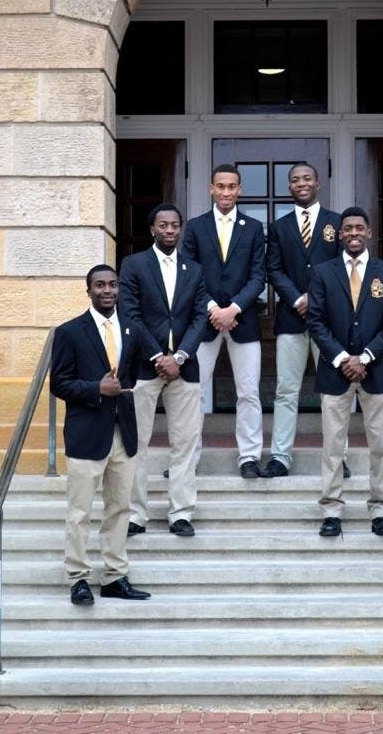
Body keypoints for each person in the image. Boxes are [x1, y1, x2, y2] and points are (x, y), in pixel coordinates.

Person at [50, 265, 156, 605]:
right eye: (100, 285)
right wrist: (96, 387)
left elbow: (140, 370)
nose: (107, 290)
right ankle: (78, 577)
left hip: (123, 433)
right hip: (86, 434)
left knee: (119, 508)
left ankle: (114, 575)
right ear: (89, 290)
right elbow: (59, 383)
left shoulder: (132, 329)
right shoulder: (70, 332)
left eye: (112, 284)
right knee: (79, 512)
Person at [307, 206, 383, 537]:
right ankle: (331, 510)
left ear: (369, 232)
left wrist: (365, 357)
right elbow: (315, 320)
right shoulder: (322, 272)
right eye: (347, 228)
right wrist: (342, 358)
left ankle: (380, 509)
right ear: (339, 233)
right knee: (333, 445)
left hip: (375, 372)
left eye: (359, 228)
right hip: (335, 372)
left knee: (380, 446)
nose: (353, 233)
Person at [119, 203, 207, 538]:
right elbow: (130, 314)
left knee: (184, 443)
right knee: (136, 443)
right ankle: (136, 515)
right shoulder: (133, 264)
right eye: (163, 225)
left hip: (185, 367)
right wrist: (158, 356)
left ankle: (181, 513)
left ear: (180, 229)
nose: (170, 230)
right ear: (152, 229)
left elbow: (200, 317)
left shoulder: (194, 270)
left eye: (175, 225)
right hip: (143, 365)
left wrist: (180, 356)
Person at [182, 164, 266, 478]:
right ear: (211, 189)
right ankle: (188, 458)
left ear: (240, 189)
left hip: (243, 322)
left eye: (232, 187)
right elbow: (188, 272)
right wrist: (213, 309)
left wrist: (234, 309)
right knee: (194, 393)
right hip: (203, 321)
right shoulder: (195, 227)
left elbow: (259, 276)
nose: (227, 192)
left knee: (248, 392)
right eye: (221, 186)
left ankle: (249, 457)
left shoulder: (254, 228)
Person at [264, 163, 341, 477]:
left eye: (307, 178)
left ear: (318, 183)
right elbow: (274, 269)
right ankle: (280, 457)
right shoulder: (279, 227)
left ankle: (338, 456)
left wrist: (318, 300)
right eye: (295, 180)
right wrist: (297, 298)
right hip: (291, 320)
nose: (301, 183)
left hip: (329, 323)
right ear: (290, 187)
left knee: (334, 393)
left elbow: (342, 266)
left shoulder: (336, 223)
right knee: (285, 390)